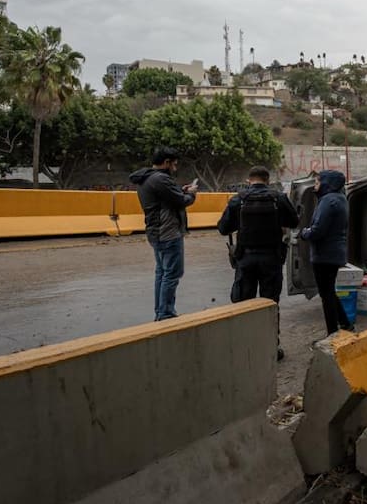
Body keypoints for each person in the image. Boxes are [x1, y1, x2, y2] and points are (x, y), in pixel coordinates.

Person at [217, 165, 299, 360]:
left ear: (249, 180)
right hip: (271, 259)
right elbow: (294, 222)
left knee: (243, 304)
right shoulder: (278, 198)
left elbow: (223, 228)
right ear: (267, 180)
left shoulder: (238, 199)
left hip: (245, 259)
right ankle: (271, 347)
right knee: (270, 303)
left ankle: (244, 346)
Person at [129, 147, 197, 321]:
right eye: (173, 165)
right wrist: (191, 194)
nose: (175, 169)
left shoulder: (147, 178)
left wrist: (180, 190)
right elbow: (181, 201)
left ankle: (160, 311)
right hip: (168, 233)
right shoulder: (160, 179)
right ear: (166, 162)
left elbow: (167, 199)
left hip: (156, 232)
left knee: (162, 272)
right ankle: (165, 313)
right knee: (172, 274)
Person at [300, 169, 353, 335]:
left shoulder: (328, 201)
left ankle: (333, 332)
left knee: (326, 295)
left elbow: (318, 230)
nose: (315, 185)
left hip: (325, 255)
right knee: (329, 291)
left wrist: (304, 233)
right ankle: (345, 324)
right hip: (333, 254)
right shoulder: (339, 198)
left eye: (317, 181)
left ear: (327, 183)